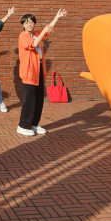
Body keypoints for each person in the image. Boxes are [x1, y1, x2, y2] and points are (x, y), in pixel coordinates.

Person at [17, 8, 67, 137]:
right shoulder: (23, 36)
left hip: (38, 71)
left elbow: (47, 30)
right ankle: (23, 126)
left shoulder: (35, 34)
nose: (30, 24)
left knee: (39, 99)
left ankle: (34, 124)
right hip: (29, 72)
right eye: (27, 22)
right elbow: (33, 44)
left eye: (32, 22)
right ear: (22, 24)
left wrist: (57, 17)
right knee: (29, 100)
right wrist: (43, 32)